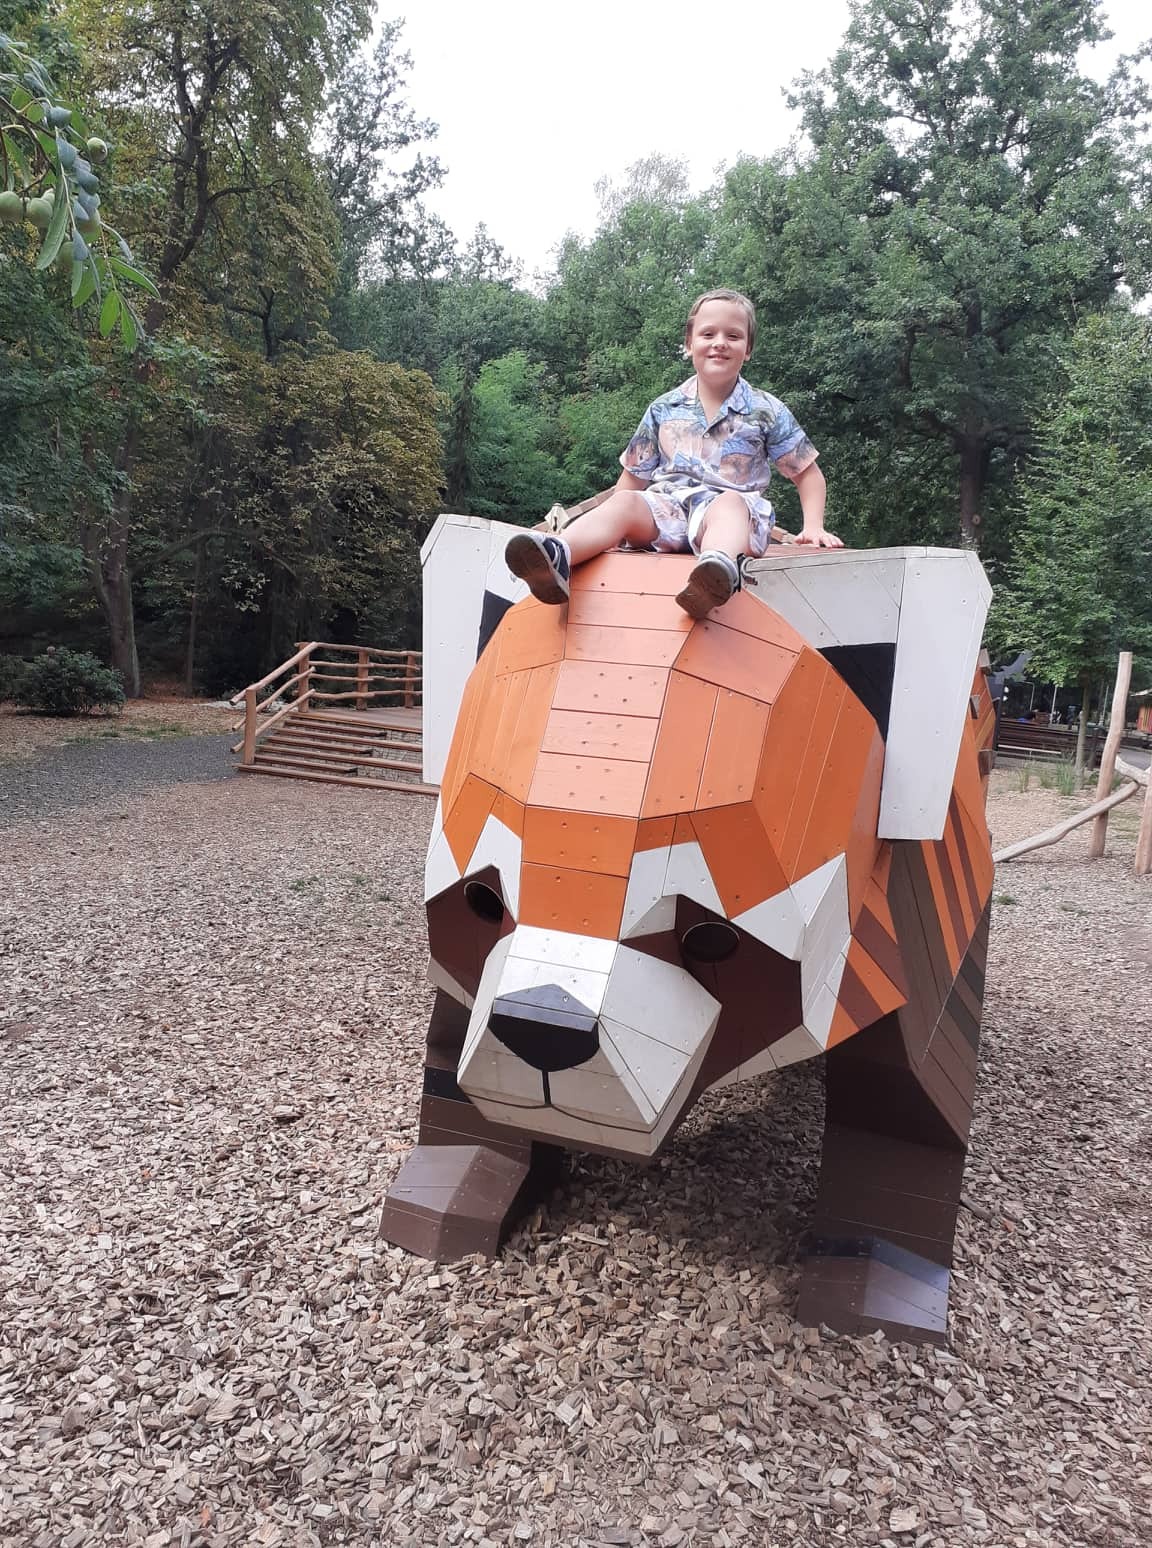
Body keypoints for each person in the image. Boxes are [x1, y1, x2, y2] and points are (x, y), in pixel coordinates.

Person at [504, 288, 842, 620]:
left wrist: (813, 526)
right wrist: (617, 529)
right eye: (708, 334)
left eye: (733, 336)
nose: (720, 343)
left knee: (728, 506)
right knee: (625, 503)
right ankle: (558, 555)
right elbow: (633, 478)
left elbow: (807, 474)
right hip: (670, 510)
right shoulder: (664, 408)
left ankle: (716, 572)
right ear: (689, 344)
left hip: (732, 517)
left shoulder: (766, 410)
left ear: (748, 349)